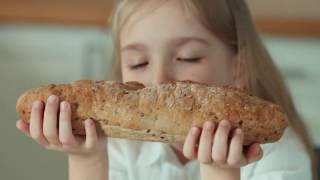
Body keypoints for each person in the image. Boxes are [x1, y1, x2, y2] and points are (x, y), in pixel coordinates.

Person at [16, 0, 318, 179]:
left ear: (237, 69)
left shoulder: (279, 157)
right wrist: (86, 158)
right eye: (138, 62)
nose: (159, 79)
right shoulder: (122, 150)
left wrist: (222, 172)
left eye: (188, 57)